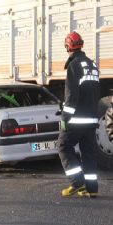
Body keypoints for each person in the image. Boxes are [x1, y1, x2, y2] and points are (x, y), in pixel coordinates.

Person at [58, 31, 99, 198]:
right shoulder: (92, 65)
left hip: (77, 120)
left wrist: (64, 119)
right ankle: (91, 188)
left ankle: (77, 182)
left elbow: (71, 97)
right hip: (92, 118)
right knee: (88, 153)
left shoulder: (74, 66)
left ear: (68, 46)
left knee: (63, 146)